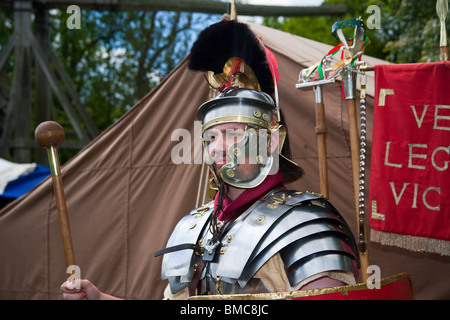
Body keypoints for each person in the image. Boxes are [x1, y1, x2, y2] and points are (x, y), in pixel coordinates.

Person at [61, 19, 359, 300]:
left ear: (270, 141)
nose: (216, 147)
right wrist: (102, 297)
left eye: (230, 132)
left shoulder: (306, 225)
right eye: (210, 137)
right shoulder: (197, 226)